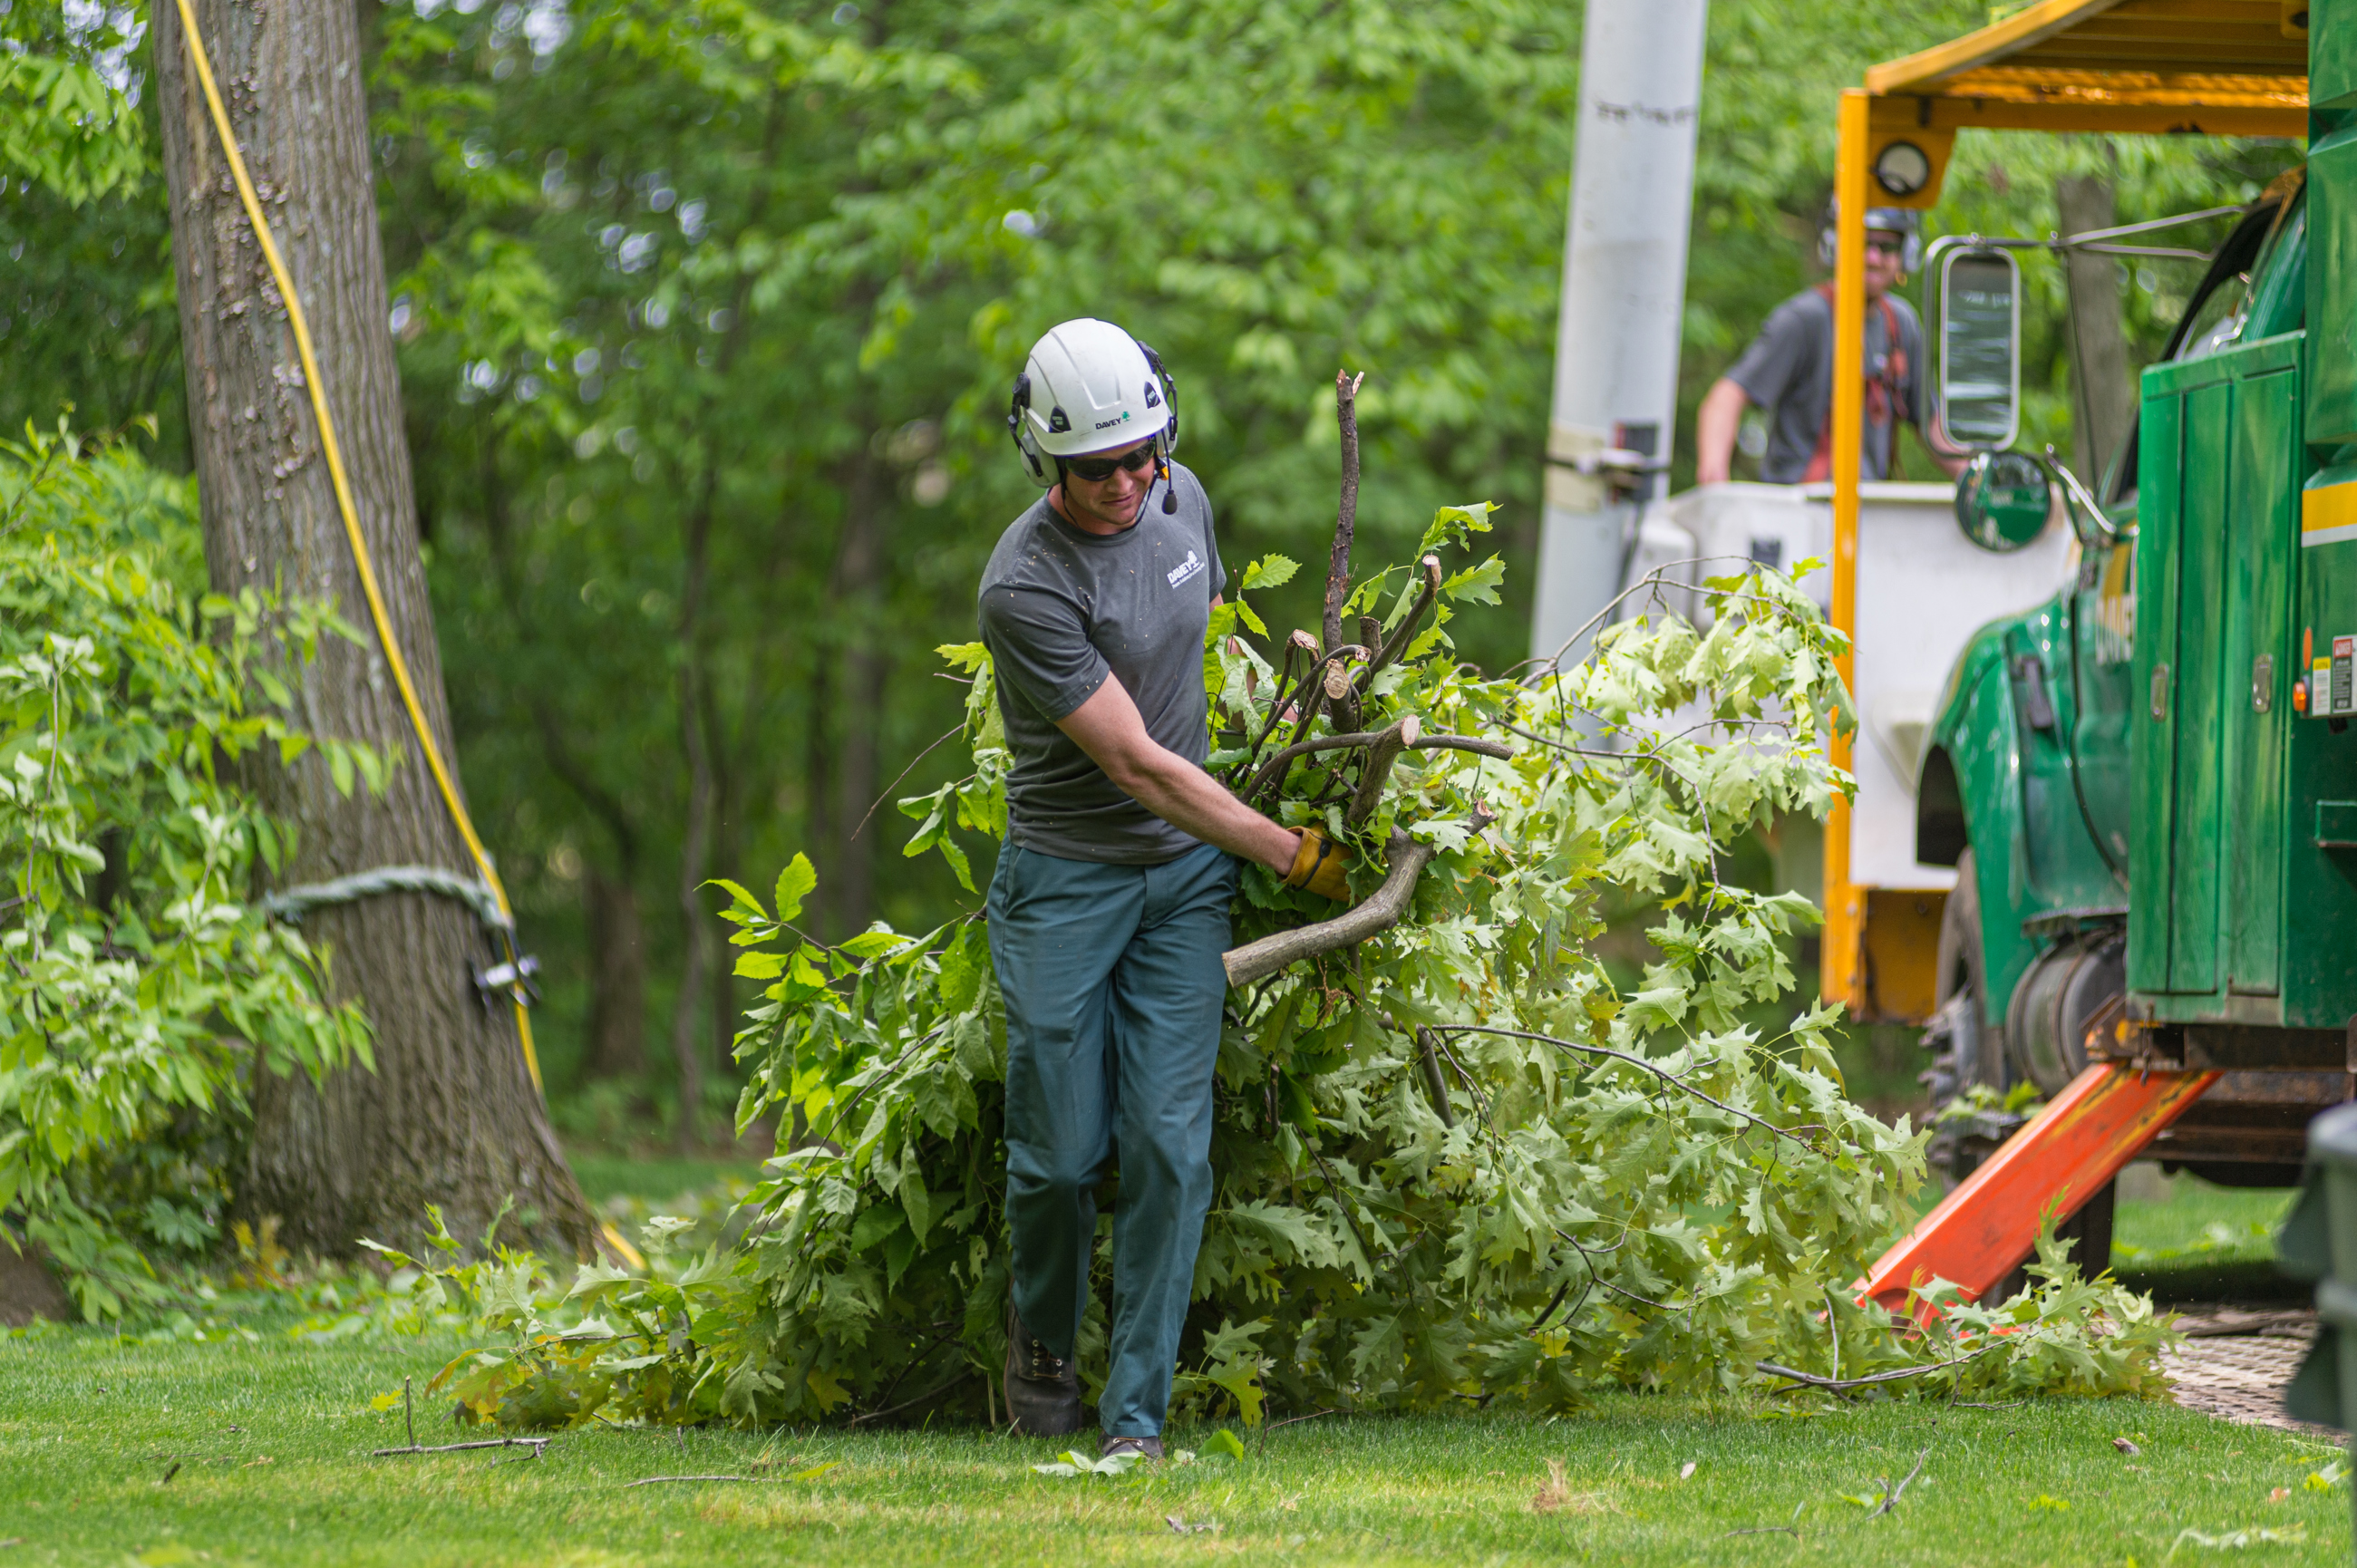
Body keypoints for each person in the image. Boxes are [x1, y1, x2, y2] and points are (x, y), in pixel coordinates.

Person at [978, 318, 1351, 1461]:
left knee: (1168, 1144)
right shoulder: (1022, 587)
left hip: (1181, 886)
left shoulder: (1180, 499)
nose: (1129, 482)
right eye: (1098, 468)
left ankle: (1134, 1419)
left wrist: (1306, 706)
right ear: (1045, 462)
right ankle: (1043, 1340)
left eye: (1144, 452)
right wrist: (1280, 848)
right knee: (1056, 1154)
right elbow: (1136, 762)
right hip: (1066, 882)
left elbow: (1198, 638)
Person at [1694, 206, 1966, 487]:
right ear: (1835, 245)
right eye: (1862, 242)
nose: (1873, 258)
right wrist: (1714, 481)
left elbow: (1931, 424)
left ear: (1906, 255)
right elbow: (1726, 397)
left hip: (1869, 508)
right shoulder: (1805, 319)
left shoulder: (1901, 323)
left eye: (1887, 247)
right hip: (1800, 509)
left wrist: (1974, 478)